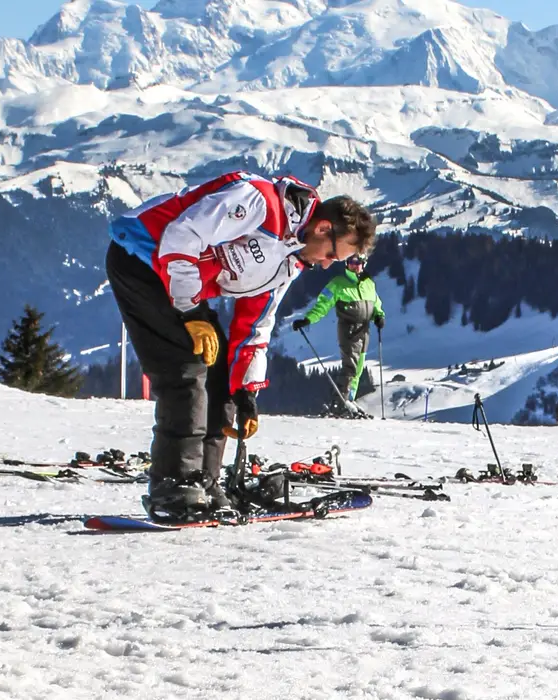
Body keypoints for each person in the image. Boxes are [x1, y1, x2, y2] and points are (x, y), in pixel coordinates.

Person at [107, 172, 376, 522]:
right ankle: (174, 487)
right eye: (331, 255)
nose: (326, 264)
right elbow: (182, 234)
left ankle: (205, 480)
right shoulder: (257, 202)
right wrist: (189, 311)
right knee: (186, 371)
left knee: (220, 379)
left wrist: (245, 391)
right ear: (324, 228)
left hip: (181, 283)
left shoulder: (290, 261)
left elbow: (255, 324)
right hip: (141, 260)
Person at [291, 253, 384, 401]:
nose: (353, 265)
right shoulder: (338, 283)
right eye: (350, 262)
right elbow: (323, 303)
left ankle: (349, 400)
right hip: (349, 329)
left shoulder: (369, 284)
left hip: (364, 330)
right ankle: (340, 401)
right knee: (350, 367)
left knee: (358, 369)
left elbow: (376, 303)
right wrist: (308, 319)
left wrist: (379, 316)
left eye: (357, 262)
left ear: (363, 263)